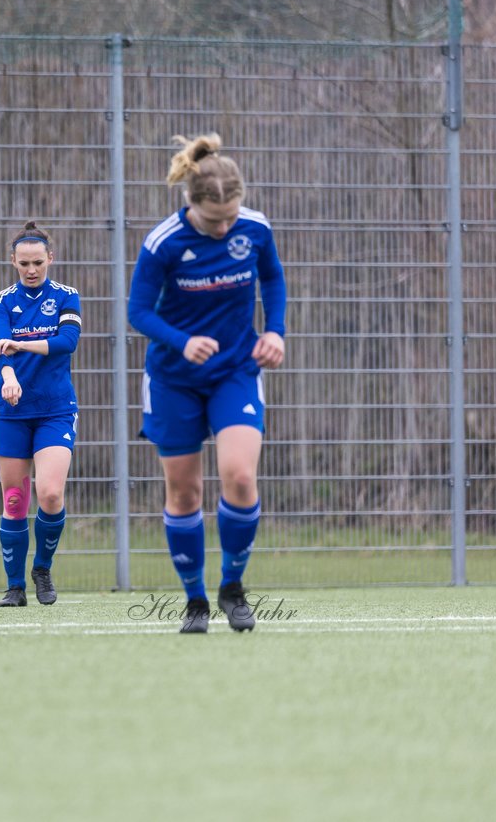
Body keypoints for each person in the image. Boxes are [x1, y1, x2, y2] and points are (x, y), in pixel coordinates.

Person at [127, 134, 286, 633]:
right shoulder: (163, 243)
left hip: (236, 371)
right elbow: (137, 312)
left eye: (231, 218)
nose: (224, 228)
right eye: (214, 220)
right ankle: (195, 601)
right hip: (174, 378)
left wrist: (275, 331)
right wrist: (181, 340)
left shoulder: (255, 229)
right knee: (186, 492)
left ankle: (232, 587)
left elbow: (274, 280)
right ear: (191, 204)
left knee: (239, 476)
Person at [0, 222, 82, 607]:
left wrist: (23, 345)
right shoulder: (1, 301)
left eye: (38, 262)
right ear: (13, 261)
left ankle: (41, 569)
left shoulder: (66, 296)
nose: (31, 270)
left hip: (55, 410)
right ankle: (15, 587)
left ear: (50, 259)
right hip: (12, 412)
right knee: (14, 500)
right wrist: (8, 375)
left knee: (51, 493)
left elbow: (67, 342)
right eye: (23, 263)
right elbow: (0, 348)